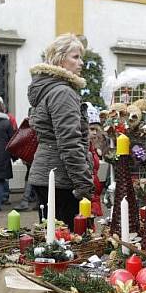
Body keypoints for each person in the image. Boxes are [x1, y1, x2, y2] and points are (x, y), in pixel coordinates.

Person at [27, 33, 94, 226]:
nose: (81, 63)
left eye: (81, 57)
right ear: (60, 59)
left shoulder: (50, 89)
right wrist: (82, 183)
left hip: (49, 173)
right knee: (67, 242)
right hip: (61, 178)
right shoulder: (62, 92)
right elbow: (69, 142)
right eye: (75, 57)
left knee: (52, 239)